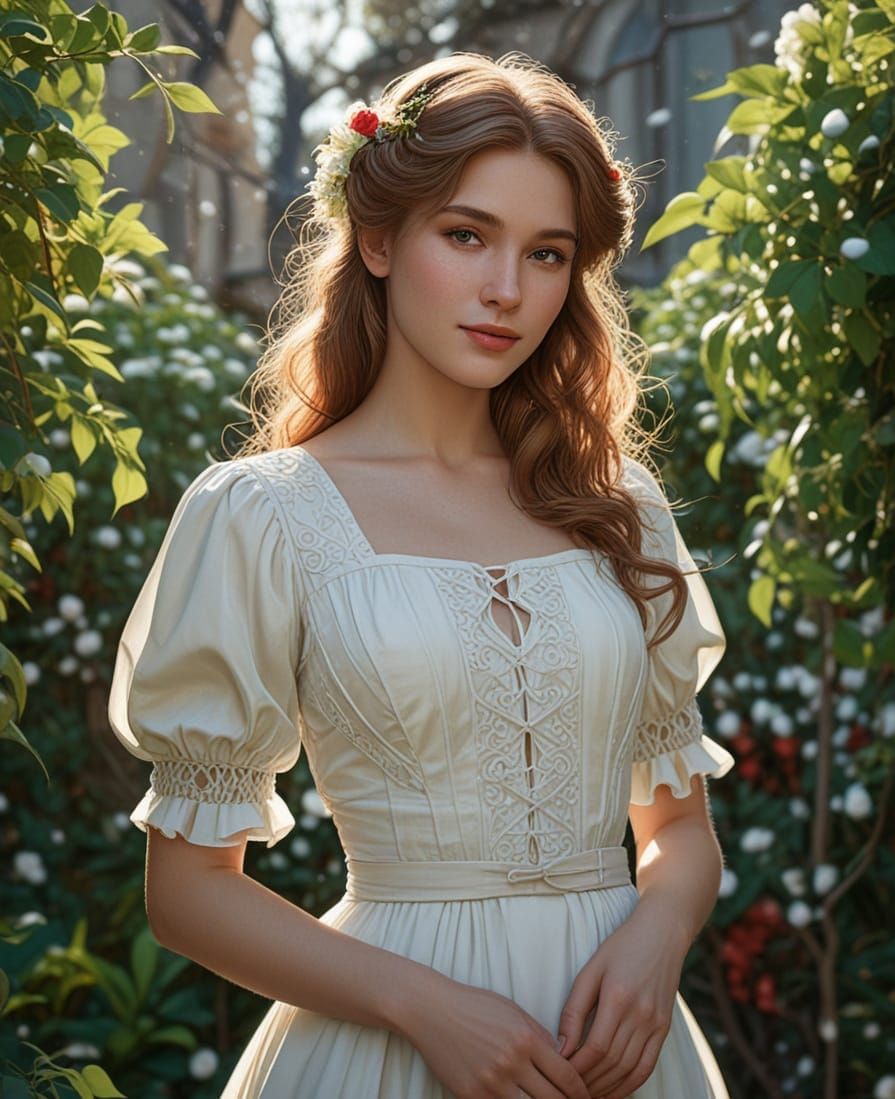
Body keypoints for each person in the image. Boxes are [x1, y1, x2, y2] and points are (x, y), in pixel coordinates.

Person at [107, 50, 736, 1099]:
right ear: (381, 237)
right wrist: (425, 1006)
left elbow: (675, 827)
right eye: (467, 235)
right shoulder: (262, 514)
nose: (505, 290)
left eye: (546, 254)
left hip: (621, 1052)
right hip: (382, 1053)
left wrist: (655, 936)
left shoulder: (617, 505)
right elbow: (187, 893)